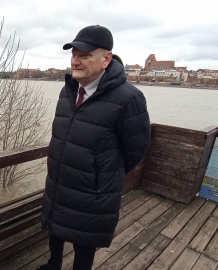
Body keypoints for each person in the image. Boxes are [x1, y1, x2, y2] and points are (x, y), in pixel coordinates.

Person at [39, 25, 151, 270]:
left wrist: (100, 174)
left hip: (93, 192)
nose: (76, 62)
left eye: (85, 55)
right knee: (55, 231)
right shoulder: (67, 91)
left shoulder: (129, 98)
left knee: (84, 245)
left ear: (106, 59)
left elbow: (137, 150)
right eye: (74, 54)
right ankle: (53, 265)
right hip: (60, 182)